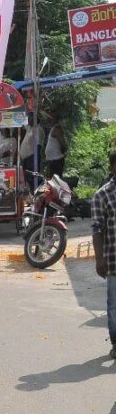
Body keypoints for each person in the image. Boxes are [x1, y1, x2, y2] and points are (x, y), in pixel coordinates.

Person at [91, 150, 116, 359]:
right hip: (113, 259)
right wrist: (99, 260)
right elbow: (97, 228)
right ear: (113, 168)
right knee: (114, 307)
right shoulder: (102, 195)